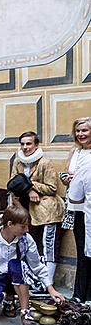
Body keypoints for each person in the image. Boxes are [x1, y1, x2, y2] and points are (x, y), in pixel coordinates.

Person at [0, 203, 66, 325]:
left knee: (15, 265)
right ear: (10, 224)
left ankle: (25, 311)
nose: (27, 230)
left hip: (17, 276)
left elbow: (37, 266)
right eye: (23, 227)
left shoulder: (26, 239)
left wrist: (51, 289)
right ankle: (7, 298)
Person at [11, 131, 63, 292]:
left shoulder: (45, 162)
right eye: (23, 144)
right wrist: (27, 191)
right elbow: (14, 183)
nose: (25, 147)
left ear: (36, 145)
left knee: (49, 246)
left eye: (29, 144)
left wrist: (29, 185)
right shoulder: (18, 161)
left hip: (47, 210)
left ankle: (48, 283)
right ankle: (32, 279)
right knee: (29, 245)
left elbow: (52, 187)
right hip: (26, 209)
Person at [62, 117, 91, 302]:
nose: (81, 134)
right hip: (77, 207)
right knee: (82, 250)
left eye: (85, 130)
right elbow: (65, 172)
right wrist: (65, 178)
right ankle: (79, 294)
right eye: (78, 131)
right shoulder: (75, 152)